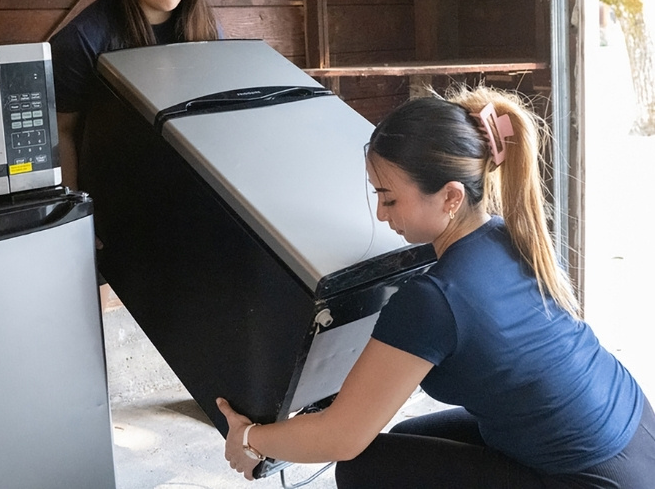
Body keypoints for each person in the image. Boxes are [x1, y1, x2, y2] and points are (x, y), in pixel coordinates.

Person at [217, 86, 655, 488]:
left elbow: (340, 438)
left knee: (363, 468)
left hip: (593, 479)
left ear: (450, 197)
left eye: (389, 198)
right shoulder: (512, 236)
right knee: (406, 438)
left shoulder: (434, 299)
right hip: (638, 437)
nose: (382, 214)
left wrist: (252, 439)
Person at [50, 0, 219, 191]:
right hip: (116, 195)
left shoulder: (205, 27)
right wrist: (77, 218)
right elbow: (61, 131)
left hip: (191, 189)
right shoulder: (83, 38)